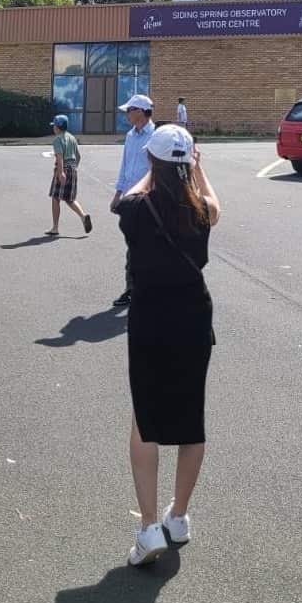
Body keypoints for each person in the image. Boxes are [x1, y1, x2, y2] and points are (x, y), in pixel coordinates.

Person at [114, 124, 220, 567]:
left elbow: (125, 199)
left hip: (151, 317)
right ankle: (180, 516)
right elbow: (215, 205)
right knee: (190, 416)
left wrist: (151, 171)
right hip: (194, 317)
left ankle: (149, 526)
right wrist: (196, 171)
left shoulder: (137, 208)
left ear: (153, 163)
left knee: (146, 419)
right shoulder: (201, 210)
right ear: (187, 164)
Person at [109, 94, 155, 307]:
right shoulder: (130, 136)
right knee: (133, 246)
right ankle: (132, 289)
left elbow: (157, 171)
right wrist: (118, 194)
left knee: (147, 248)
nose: (127, 114)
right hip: (129, 200)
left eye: (129, 110)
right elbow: (124, 166)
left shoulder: (156, 136)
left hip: (149, 201)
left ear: (140, 111)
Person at [47, 115, 91, 236]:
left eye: (54, 126)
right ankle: (83, 216)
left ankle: (55, 228)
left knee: (55, 197)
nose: (53, 128)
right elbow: (78, 156)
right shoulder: (72, 138)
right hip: (72, 169)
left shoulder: (57, 140)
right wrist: (73, 168)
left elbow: (59, 158)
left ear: (57, 127)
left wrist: (60, 172)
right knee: (69, 198)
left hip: (63, 169)